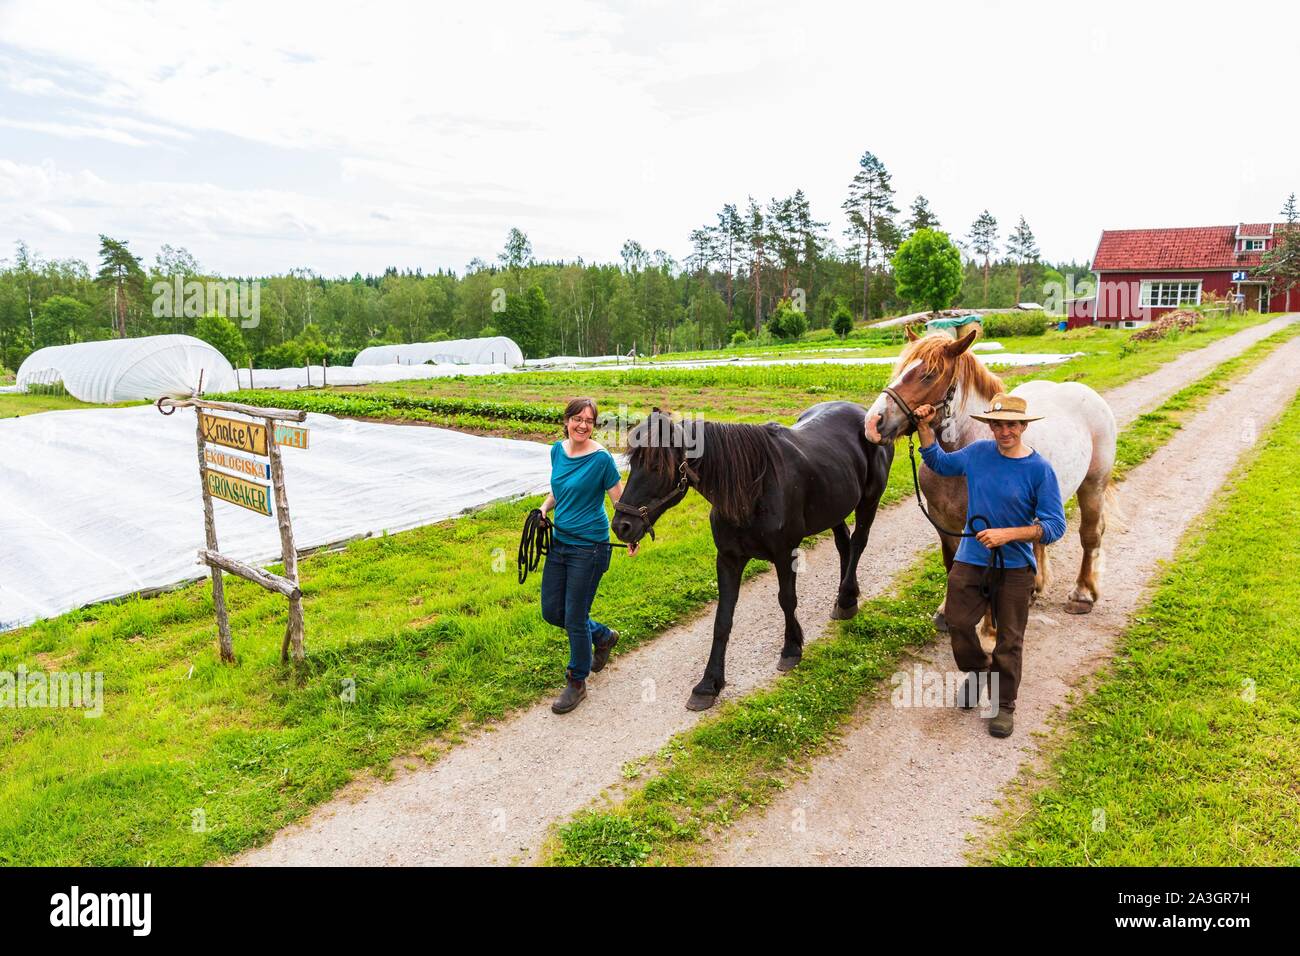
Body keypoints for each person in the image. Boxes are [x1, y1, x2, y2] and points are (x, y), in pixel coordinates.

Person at [913, 392, 1066, 738]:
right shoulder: (979, 453)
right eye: (997, 425)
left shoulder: (1039, 470)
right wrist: (924, 428)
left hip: (1015, 565)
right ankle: (979, 670)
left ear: (1023, 426)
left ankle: (1003, 705)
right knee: (957, 620)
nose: (1004, 431)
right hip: (971, 558)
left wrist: (1009, 534)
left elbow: (1055, 526)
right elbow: (939, 463)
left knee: (1009, 639)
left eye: (1011, 425)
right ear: (991, 427)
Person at [538, 397, 639, 714]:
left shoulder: (601, 459)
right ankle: (604, 636)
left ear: (594, 425)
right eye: (577, 419)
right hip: (560, 544)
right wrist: (543, 508)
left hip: (590, 548)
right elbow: (559, 489)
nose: (582, 425)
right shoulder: (557, 451)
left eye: (589, 421)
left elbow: (619, 501)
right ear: (566, 420)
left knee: (575, 617)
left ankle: (577, 681)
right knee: (552, 611)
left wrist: (630, 534)